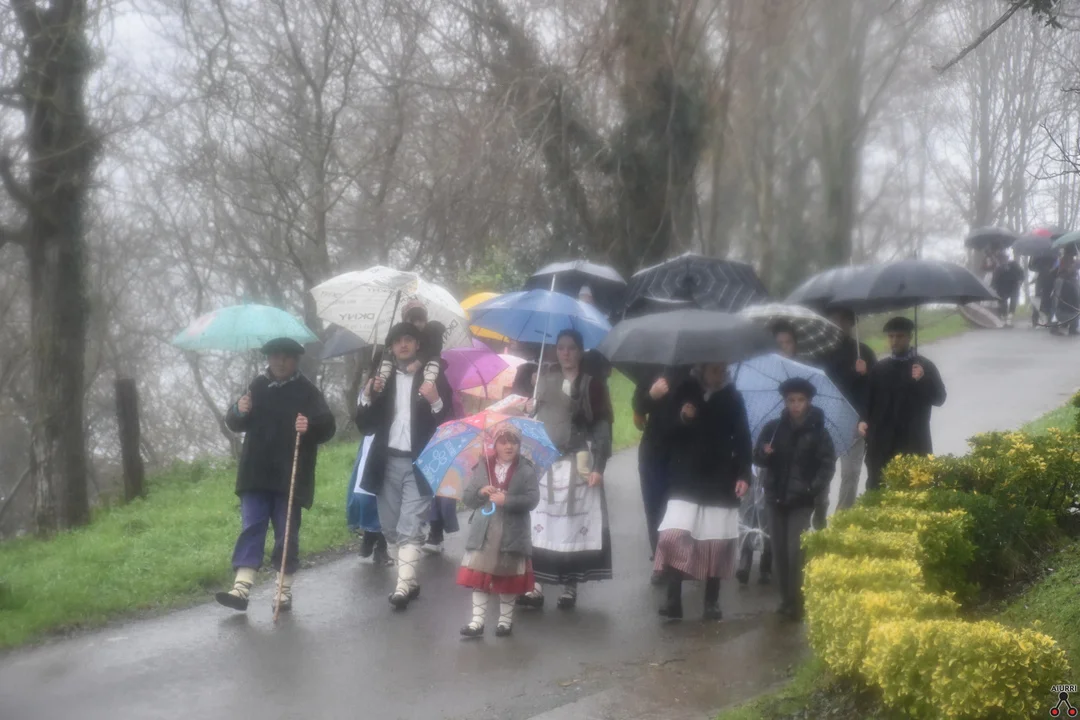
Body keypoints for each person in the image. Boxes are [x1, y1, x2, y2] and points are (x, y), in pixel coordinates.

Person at [216, 338, 337, 612]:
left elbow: (328, 427)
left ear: (296, 360)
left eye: (286, 357)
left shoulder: (307, 391)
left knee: (286, 531)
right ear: (268, 358)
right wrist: (239, 410)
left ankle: (283, 589)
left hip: (290, 475)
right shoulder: (256, 386)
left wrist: (309, 426)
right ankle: (241, 587)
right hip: (255, 473)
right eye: (275, 356)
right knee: (252, 526)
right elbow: (234, 422)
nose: (280, 362)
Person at [356, 322, 454, 610]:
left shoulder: (433, 377)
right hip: (385, 463)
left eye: (408, 339)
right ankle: (409, 581)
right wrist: (367, 395)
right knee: (390, 528)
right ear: (391, 347)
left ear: (417, 345)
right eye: (398, 340)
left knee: (410, 525)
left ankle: (401, 587)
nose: (403, 344)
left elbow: (445, 422)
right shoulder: (381, 379)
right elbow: (365, 425)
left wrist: (436, 401)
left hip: (419, 463)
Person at [518, 329, 613, 610]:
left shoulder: (593, 386)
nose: (566, 353)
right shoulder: (544, 379)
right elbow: (533, 419)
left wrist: (599, 466)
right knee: (540, 524)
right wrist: (529, 405)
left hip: (577, 463)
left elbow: (602, 427)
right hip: (545, 462)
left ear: (580, 351)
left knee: (572, 525)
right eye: (561, 348)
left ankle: (570, 586)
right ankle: (535, 586)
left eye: (571, 348)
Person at [655, 362, 751, 621]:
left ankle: (711, 600)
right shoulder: (684, 390)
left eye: (722, 369)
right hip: (685, 476)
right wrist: (683, 418)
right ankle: (673, 598)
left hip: (720, 478)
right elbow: (665, 432)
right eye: (714, 369)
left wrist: (744, 474)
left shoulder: (733, 397)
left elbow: (743, 438)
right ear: (702, 367)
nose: (719, 373)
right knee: (675, 534)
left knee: (715, 540)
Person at [753, 377, 836, 621]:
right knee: (779, 553)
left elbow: (827, 465)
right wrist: (764, 453)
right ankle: (785, 600)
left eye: (800, 400)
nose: (796, 405)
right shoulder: (773, 428)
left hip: (801, 501)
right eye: (791, 400)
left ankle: (798, 601)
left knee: (795, 551)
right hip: (775, 498)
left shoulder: (819, 432)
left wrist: (812, 488)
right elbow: (757, 458)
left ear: (808, 401)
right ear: (785, 402)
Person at [458, 425, 540, 638]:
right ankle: (477, 622)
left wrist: (507, 500)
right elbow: (468, 498)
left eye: (513, 442)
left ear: (519, 445)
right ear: (494, 445)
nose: (508, 446)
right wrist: (481, 491)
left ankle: (505, 622)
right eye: (503, 442)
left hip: (513, 532)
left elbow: (533, 500)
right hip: (484, 531)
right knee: (480, 574)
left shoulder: (526, 469)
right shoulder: (483, 466)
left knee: (507, 576)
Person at [858, 317, 946, 491]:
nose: (894, 341)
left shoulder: (924, 366)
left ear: (909, 337)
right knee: (876, 487)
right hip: (881, 440)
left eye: (899, 336)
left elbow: (939, 398)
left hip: (913, 439)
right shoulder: (880, 368)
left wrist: (923, 379)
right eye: (891, 336)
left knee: (915, 488)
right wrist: (862, 420)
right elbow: (868, 399)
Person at [821, 308, 876, 513]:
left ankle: (843, 516)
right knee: (823, 471)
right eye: (833, 320)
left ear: (851, 323)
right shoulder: (823, 353)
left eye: (841, 320)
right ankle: (820, 508)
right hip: (828, 420)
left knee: (850, 473)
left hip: (855, 421)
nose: (837, 325)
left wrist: (867, 372)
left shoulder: (864, 352)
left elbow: (876, 388)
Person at [632, 369, 683, 584]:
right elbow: (638, 406)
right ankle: (660, 562)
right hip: (653, 452)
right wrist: (651, 396)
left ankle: (680, 560)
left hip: (683, 453)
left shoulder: (694, 374)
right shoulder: (651, 370)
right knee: (654, 508)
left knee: (679, 510)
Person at [374, 298, 447, 401]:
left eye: (420, 320)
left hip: (429, 370)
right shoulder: (396, 335)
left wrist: (418, 362)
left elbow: (434, 349)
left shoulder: (432, 332)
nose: (417, 324)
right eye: (413, 320)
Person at [990, 249, 1024, 327]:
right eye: (1000, 258)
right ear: (999, 259)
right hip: (1002, 288)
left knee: (1013, 301)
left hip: (1014, 286)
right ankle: (1004, 318)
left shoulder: (1014, 264)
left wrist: (1020, 280)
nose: (1003, 260)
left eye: (1004, 258)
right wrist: (993, 287)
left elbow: (1021, 273)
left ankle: (1009, 318)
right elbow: (994, 280)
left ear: (1007, 258)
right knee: (1003, 303)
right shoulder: (998, 268)